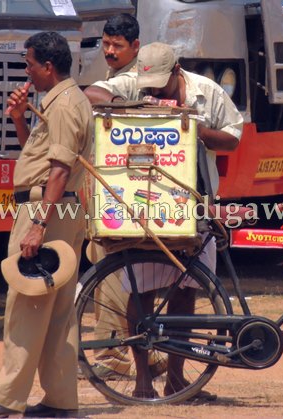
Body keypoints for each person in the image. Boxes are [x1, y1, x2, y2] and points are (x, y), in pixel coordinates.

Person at [84, 41, 243, 399]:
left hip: (196, 203)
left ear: (177, 70)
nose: (154, 89)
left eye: (160, 83)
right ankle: (142, 381)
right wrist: (139, 107)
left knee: (186, 291)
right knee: (141, 291)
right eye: (148, 83)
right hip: (144, 206)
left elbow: (233, 138)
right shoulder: (133, 83)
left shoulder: (206, 92)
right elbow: (91, 95)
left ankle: (176, 378)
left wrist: (192, 128)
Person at [0, 32, 93, 418]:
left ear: (47, 67)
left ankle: (6, 397)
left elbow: (58, 170)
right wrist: (20, 118)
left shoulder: (65, 105)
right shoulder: (62, 100)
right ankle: (60, 400)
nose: (26, 71)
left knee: (26, 304)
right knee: (56, 311)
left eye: (29, 64)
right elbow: (38, 158)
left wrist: (37, 225)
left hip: (46, 211)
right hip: (59, 209)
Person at [83, 13, 167, 381]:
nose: (110, 51)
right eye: (106, 44)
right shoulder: (126, 77)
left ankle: (114, 353)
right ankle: (144, 353)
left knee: (117, 271)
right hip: (119, 190)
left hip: (129, 194)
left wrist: (115, 100)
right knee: (113, 269)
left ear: (135, 47)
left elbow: (92, 93)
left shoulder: (135, 79)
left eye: (117, 45)